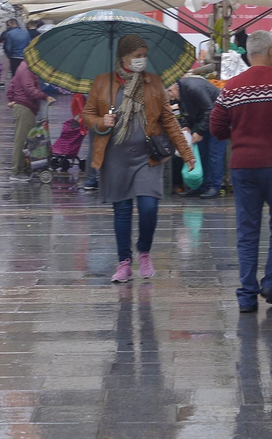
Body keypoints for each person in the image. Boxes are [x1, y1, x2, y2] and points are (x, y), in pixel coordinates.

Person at [210, 31, 272, 311]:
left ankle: (246, 295)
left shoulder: (231, 87)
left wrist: (239, 136)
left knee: (247, 230)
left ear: (247, 54)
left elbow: (216, 126)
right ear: (271, 52)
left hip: (244, 167)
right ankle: (271, 282)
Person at [81, 35, 195, 281]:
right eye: (137, 55)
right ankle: (124, 262)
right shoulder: (102, 83)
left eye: (144, 55)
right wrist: (102, 121)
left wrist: (186, 152)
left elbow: (169, 121)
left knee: (148, 206)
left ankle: (144, 250)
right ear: (123, 56)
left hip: (146, 155)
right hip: (115, 157)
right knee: (122, 210)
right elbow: (88, 115)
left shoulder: (153, 83)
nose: (141, 60)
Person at [169, 72, 223, 199]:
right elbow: (188, 111)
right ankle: (201, 186)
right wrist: (187, 125)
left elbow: (210, 109)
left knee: (215, 153)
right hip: (203, 120)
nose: (171, 97)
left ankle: (215, 187)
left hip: (219, 118)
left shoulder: (193, 88)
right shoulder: (181, 95)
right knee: (202, 153)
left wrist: (199, 131)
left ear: (174, 88)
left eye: (170, 93)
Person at [7, 58, 48, 181]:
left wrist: (12, 99)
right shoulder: (26, 69)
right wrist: (45, 97)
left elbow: (11, 86)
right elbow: (30, 90)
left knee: (26, 141)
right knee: (21, 140)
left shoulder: (23, 67)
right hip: (25, 108)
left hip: (25, 107)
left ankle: (24, 168)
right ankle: (16, 171)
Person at [0, 18, 30, 85]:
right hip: (23, 56)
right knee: (23, 73)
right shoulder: (26, 33)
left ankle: (16, 88)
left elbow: (8, 47)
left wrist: (9, 55)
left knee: (15, 74)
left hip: (14, 56)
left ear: (12, 24)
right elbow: (28, 44)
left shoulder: (9, 33)